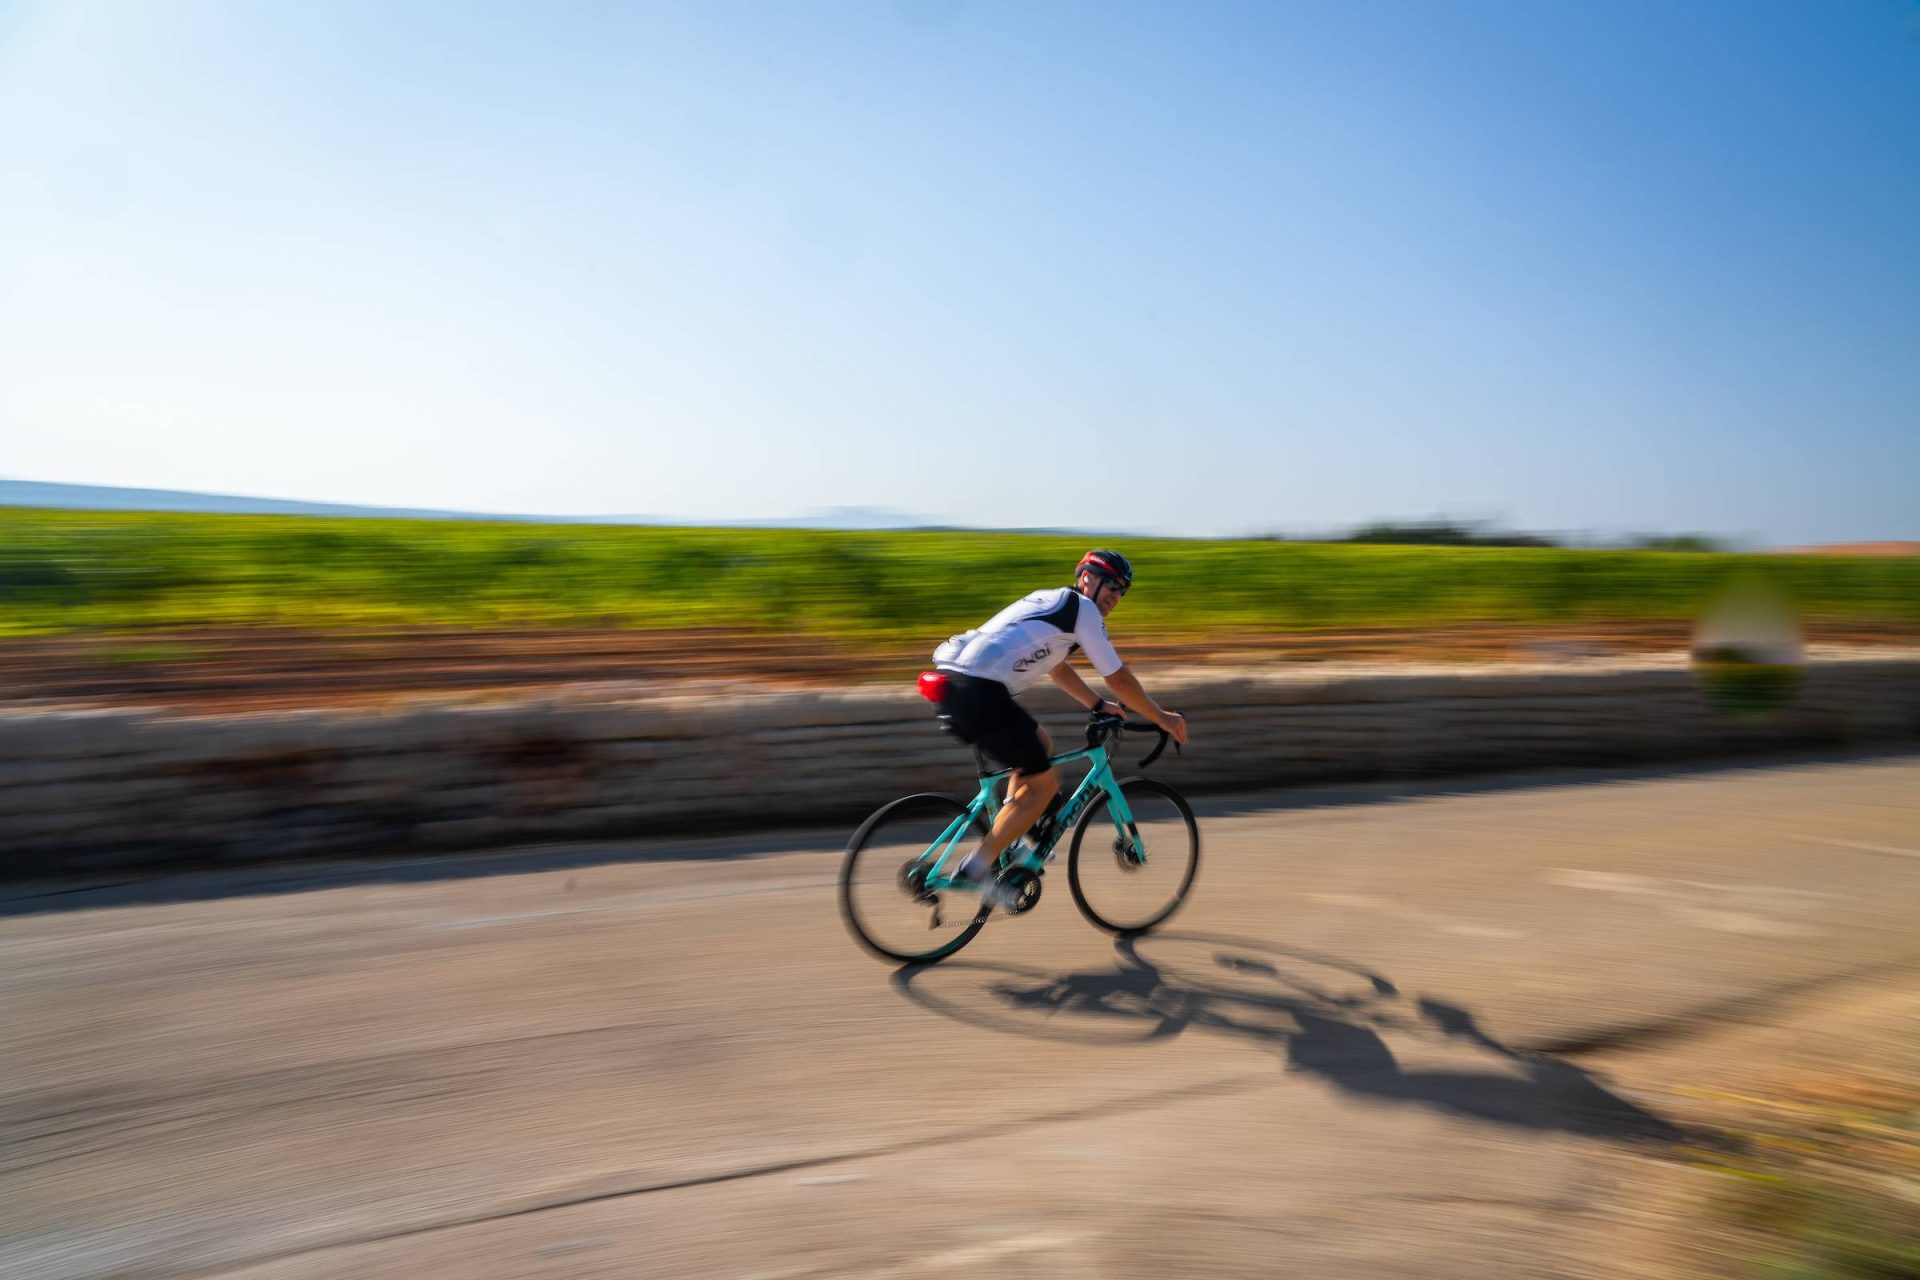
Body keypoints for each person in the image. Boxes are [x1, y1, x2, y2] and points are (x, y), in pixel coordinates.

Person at [930, 549, 1188, 907]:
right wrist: (1162, 717)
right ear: (1087, 578)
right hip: (980, 691)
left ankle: (1013, 838)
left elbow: (1057, 667)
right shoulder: (1083, 610)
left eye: (1123, 590)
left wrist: (1097, 705)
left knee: (1040, 743)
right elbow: (1120, 678)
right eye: (1112, 584)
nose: (1117, 595)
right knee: (1045, 784)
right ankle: (977, 867)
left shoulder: (1058, 606)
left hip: (962, 684)